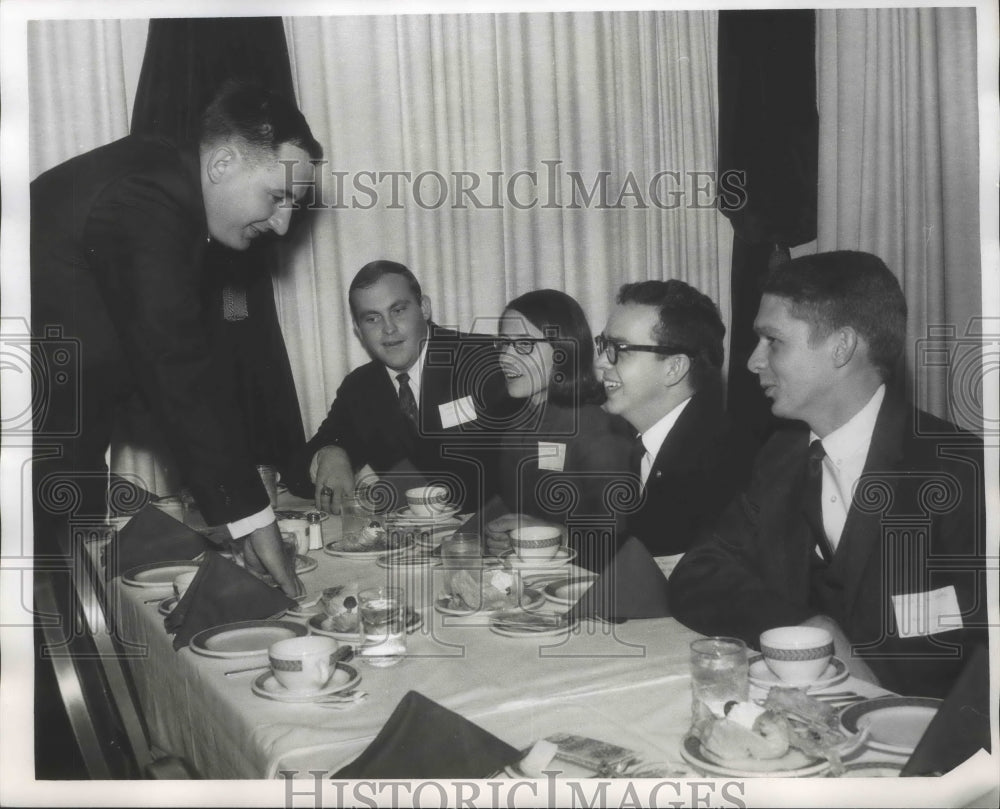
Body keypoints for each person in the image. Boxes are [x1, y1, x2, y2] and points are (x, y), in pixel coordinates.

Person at [31, 81, 322, 596]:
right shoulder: (150, 194)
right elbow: (176, 364)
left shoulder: (162, 184)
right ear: (223, 163)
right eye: (277, 197)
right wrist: (252, 517)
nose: (282, 225)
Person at [668, 251, 987, 698]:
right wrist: (804, 627)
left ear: (842, 347)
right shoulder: (781, 456)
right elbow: (697, 573)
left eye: (772, 341)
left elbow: (976, 642)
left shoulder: (961, 469)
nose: (753, 362)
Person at [287, 260, 515, 513]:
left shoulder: (486, 359)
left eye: (398, 311)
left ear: (424, 308)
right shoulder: (360, 388)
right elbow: (295, 474)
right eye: (372, 318)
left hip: (489, 532)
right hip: (409, 540)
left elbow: (513, 466)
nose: (388, 329)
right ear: (358, 330)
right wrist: (330, 453)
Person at [594, 280, 758, 563]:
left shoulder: (727, 461)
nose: (601, 363)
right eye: (603, 345)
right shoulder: (642, 446)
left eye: (619, 348)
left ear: (674, 368)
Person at [486, 289, 634, 571]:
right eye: (503, 344)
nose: (505, 357)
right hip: (535, 574)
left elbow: (618, 539)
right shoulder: (516, 422)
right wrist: (501, 534)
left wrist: (548, 534)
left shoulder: (595, 424)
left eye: (524, 345)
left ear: (563, 351)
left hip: (590, 584)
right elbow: (517, 511)